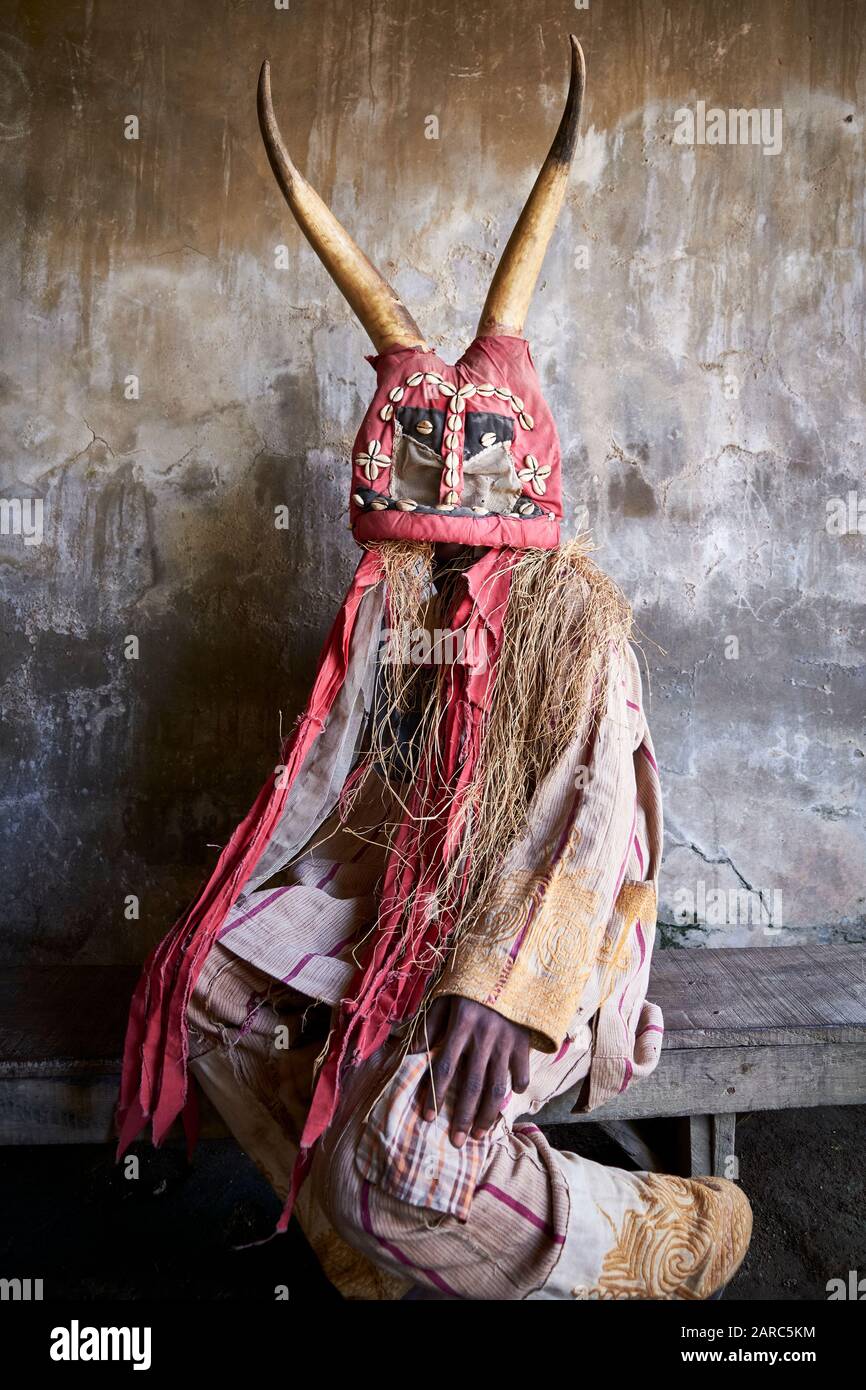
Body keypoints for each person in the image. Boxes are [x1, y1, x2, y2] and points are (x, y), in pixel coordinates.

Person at [117, 38, 751, 1300]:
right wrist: (289, 922)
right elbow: (349, 789)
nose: (448, 569)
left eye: (468, 544)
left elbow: (590, 831)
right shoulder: (398, 604)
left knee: (405, 1151)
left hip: (543, 943)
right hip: (403, 896)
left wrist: (499, 988)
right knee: (201, 981)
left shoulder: (571, 620)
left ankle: (665, 1232)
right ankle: (369, 1247)